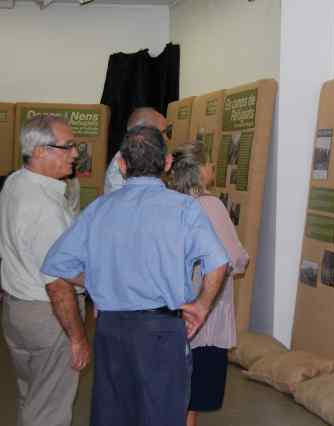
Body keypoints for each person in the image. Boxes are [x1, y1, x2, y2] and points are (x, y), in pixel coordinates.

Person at [42, 126, 229, 426]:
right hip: (162, 332)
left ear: (121, 164)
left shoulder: (99, 209)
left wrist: (97, 282)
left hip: (111, 331)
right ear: (167, 163)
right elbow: (219, 261)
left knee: (113, 415)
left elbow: (57, 264)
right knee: (163, 416)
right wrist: (202, 305)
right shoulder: (184, 209)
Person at [0, 115, 87, 426]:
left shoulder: (15, 182)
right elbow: (58, 284)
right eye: (67, 146)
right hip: (50, 316)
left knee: (33, 396)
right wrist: (77, 337)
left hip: (18, 311)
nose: (75, 154)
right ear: (39, 151)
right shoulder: (45, 209)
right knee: (49, 410)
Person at [169, 142, 249, 426]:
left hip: (173, 311)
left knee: (174, 394)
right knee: (192, 400)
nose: (213, 167)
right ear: (199, 170)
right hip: (205, 315)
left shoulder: (169, 202)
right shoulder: (210, 205)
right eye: (209, 162)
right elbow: (233, 258)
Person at [103, 107, 170, 194]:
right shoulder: (120, 168)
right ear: (141, 134)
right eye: (163, 132)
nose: (166, 138)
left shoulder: (140, 155)